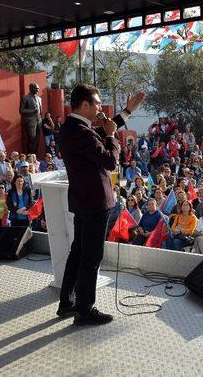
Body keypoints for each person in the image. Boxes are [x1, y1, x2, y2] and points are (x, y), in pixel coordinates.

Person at [57, 83, 145, 325]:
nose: (100, 107)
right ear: (84, 104)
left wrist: (126, 112)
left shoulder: (70, 128)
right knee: (90, 257)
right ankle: (84, 310)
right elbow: (109, 161)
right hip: (95, 201)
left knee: (77, 253)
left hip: (82, 200)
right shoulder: (83, 133)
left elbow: (106, 127)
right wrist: (111, 137)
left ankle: (67, 302)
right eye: (97, 103)